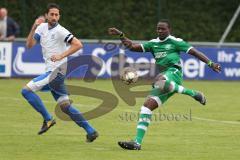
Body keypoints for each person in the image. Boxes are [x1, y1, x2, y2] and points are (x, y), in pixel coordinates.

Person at [108, 19, 221, 150]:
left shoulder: (176, 42)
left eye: (163, 29)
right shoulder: (153, 44)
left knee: (158, 80)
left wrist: (211, 64)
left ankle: (192, 93)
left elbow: (195, 52)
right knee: (146, 107)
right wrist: (121, 35)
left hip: (174, 73)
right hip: (164, 82)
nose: (160, 31)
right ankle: (137, 143)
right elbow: (132, 46)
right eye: (158, 28)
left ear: (169, 30)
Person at [22, 3, 98, 142]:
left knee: (26, 91)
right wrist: (33, 27)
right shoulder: (42, 28)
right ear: (46, 15)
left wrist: (61, 55)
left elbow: (78, 44)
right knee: (65, 106)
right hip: (54, 73)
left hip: (56, 72)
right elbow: (29, 45)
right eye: (52, 14)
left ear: (59, 16)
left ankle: (48, 119)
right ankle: (91, 131)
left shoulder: (61, 31)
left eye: (57, 15)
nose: (54, 17)